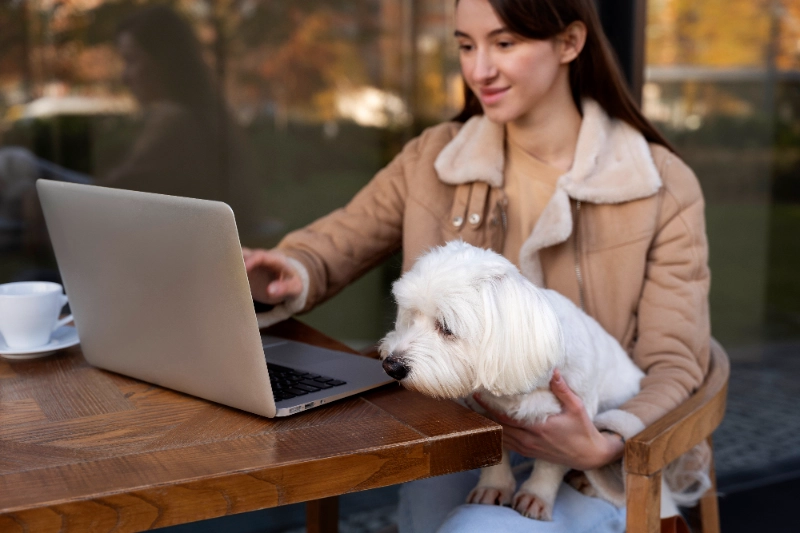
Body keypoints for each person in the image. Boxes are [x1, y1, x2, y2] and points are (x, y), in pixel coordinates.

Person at [245, 0, 710, 531]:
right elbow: (341, 238)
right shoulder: (435, 157)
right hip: (466, 428)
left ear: (569, 43)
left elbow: (675, 363)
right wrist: (288, 267)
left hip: (599, 460)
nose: (479, 69)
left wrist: (603, 442)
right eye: (466, 45)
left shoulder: (661, 185)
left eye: (503, 43)